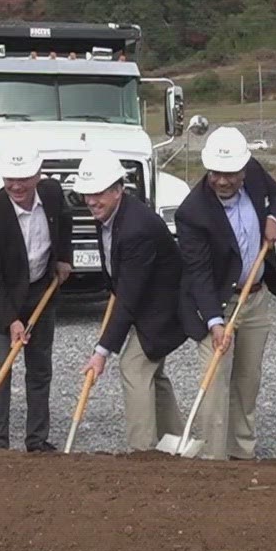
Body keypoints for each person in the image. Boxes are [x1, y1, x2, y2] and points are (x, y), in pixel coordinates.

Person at [173, 126, 276, 460]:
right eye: (216, 174)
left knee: (247, 382)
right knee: (216, 385)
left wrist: (273, 218)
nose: (223, 181)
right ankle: (214, 461)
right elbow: (199, 274)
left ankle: (242, 454)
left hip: (257, 299)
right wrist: (215, 322)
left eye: (231, 174)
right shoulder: (191, 213)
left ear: (243, 169)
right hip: (219, 302)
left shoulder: (254, 172)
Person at [76, 149, 194, 450]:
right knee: (153, 373)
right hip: (148, 302)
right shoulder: (109, 215)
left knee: (133, 367)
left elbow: (128, 296)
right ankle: (177, 444)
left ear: (118, 190)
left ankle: (142, 453)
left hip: (166, 308)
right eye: (87, 194)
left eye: (98, 193)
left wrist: (102, 351)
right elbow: (122, 286)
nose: (91, 201)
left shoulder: (136, 227)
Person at [0, 147, 73, 451]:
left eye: (24, 179)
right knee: (1, 365)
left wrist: (63, 258)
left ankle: (37, 440)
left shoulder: (53, 194)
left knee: (40, 367)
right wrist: (11, 321)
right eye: (10, 179)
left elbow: (65, 220)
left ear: (38, 176)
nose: (16, 186)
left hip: (40, 290)